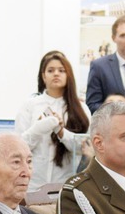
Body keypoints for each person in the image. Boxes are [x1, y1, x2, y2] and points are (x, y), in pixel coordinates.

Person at [17, 50, 91, 186]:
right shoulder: (30, 106)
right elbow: (19, 146)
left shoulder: (80, 108)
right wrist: (37, 129)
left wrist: (61, 132)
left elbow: (84, 147)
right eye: (50, 70)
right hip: (33, 182)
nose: (56, 74)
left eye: (61, 70)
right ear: (43, 76)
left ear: (68, 75)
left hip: (66, 182)